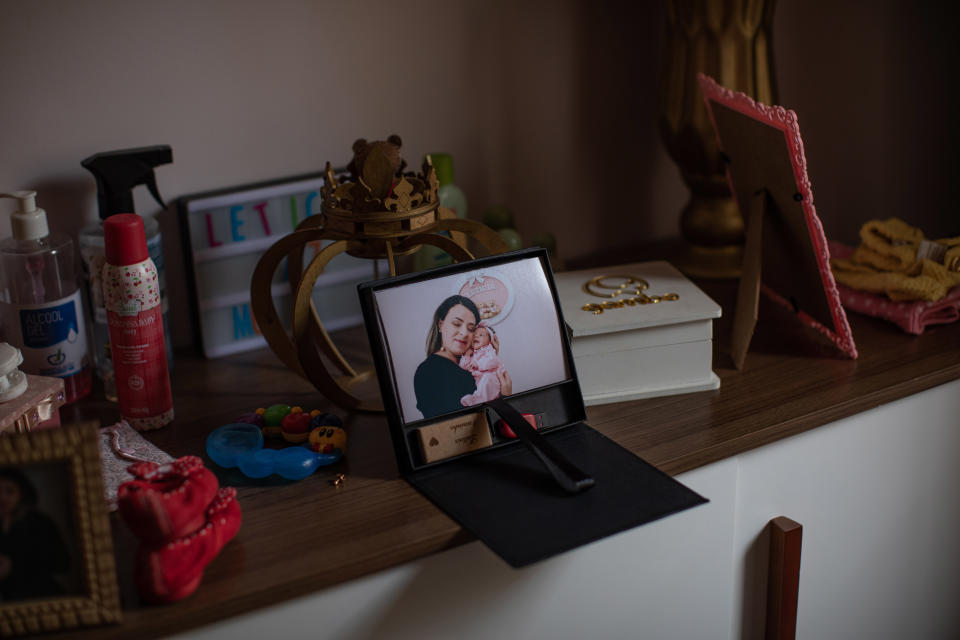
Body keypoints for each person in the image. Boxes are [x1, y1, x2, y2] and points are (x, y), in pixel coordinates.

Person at [413, 295, 512, 419]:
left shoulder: (467, 362)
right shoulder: (429, 371)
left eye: (471, 329)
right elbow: (460, 427)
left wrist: (489, 351)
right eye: (456, 323)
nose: (464, 333)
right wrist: (505, 397)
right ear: (441, 324)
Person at [0, 468, 71, 601]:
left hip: (43, 597)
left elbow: (62, 563)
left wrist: (14, 565)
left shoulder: (39, 522)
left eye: (9, 491)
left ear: (21, 494)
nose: (2, 497)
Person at [459, 322, 505, 407]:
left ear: (489, 341)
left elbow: (493, 361)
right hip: (480, 382)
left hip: (493, 379)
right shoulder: (473, 354)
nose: (476, 336)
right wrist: (467, 355)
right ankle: (476, 399)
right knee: (482, 389)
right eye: (474, 336)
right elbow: (464, 366)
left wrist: (478, 364)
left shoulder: (489, 350)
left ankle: (478, 399)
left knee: (487, 379)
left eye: (481, 335)